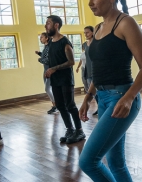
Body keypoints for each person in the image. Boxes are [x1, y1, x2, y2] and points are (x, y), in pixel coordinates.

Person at [79, 0, 142, 182]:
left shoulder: (126, 24)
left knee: (89, 160)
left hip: (123, 98)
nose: (90, 2)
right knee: (116, 161)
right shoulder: (97, 30)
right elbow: (99, 72)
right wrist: (88, 97)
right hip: (103, 97)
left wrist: (129, 97)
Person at [45, 15, 86, 144]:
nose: (46, 26)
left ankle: (79, 130)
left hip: (66, 79)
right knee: (60, 105)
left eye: (49, 23)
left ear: (56, 25)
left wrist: (54, 68)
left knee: (70, 105)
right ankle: (69, 129)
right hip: (55, 79)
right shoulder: (51, 42)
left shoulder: (65, 42)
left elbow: (71, 62)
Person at [76, 26, 98, 115]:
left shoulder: (97, 43)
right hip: (88, 70)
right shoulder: (85, 44)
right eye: (84, 33)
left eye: (87, 32)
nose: (85, 34)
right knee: (90, 90)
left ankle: (102, 107)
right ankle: (99, 107)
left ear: (92, 32)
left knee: (98, 90)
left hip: (96, 69)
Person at [36, 33, 58, 114]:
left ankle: (56, 105)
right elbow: (45, 56)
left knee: (47, 89)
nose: (40, 39)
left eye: (41, 37)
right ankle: (55, 105)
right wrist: (39, 54)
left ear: (46, 38)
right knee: (49, 89)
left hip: (49, 70)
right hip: (45, 70)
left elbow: (48, 60)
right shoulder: (45, 47)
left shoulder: (49, 47)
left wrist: (40, 60)